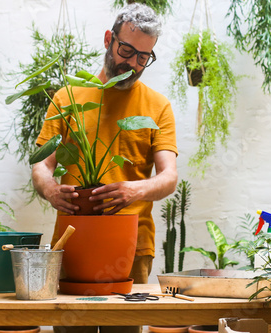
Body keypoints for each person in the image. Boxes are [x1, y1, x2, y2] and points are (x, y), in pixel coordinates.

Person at [32, 3, 178, 333]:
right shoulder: (68, 96)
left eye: (144, 57)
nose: (134, 64)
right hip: (72, 244)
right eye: (127, 50)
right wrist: (51, 189)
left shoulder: (157, 106)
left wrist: (135, 189)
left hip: (131, 247)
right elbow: (42, 164)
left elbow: (169, 177)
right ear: (109, 39)